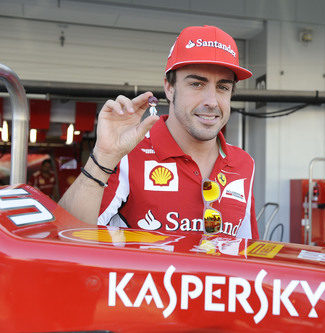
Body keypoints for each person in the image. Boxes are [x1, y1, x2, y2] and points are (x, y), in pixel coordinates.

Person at [59, 25, 259, 239]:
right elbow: (63, 236)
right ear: (169, 88)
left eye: (223, 87)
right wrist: (104, 155)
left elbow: (247, 253)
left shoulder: (243, 163)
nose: (211, 101)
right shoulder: (129, 153)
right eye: (197, 84)